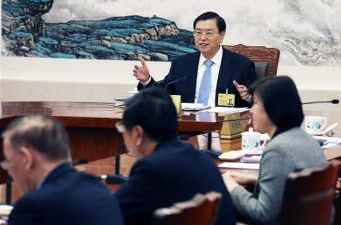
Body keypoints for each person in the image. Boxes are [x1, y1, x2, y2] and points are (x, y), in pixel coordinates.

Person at [114, 87, 236, 225]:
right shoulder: (202, 158)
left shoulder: (151, 168)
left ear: (137, 133)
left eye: (123, 128)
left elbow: (107, 213)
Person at [223, 76, 326, 224]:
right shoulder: (307, 139)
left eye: (256, 103)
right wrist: (255, 178)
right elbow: (295, 182)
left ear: (273, 108)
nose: (251, 110)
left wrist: (231, 186)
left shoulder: (278, 150)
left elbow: (263, 214)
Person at [2, 115, 124, 225]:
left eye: (9, 161)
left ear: (26, 158)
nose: (9, 171)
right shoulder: (98, 188)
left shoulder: (32, 207)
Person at [133, 11, 257, 107]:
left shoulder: (242, 65)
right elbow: (164, 93)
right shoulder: (182, 64)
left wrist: (248, 96)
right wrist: (147, 81)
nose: (202, 38)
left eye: (209, 33)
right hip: (186, 125)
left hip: (223, 127)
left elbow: (257, 102)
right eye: (198, 32)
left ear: (221, 35)